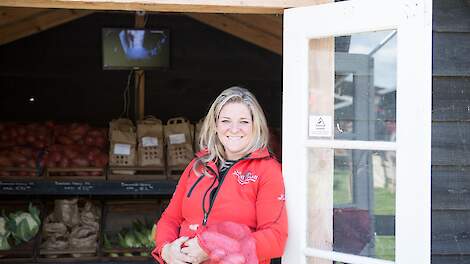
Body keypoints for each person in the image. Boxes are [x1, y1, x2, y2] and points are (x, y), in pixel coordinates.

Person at [152, 86, 288, 264]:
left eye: (244, 122)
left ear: (256, 126)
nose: (234, 129)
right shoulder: (198, 166)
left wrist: (213, 248)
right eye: (225, 121)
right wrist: (166, 250)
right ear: (215, 125)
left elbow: (275, 239)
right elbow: (170, 219)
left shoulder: (267, 170)